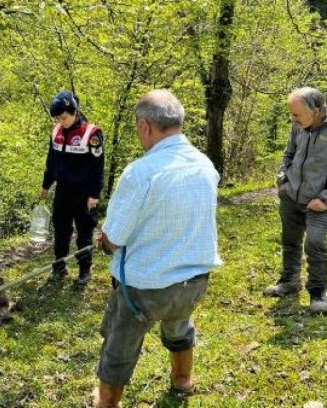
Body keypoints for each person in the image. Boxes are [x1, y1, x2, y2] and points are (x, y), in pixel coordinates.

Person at [94, 90, 222, 407]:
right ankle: (182, 381)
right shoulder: (206, 165)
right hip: (194, 282)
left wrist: (104, 239)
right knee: (180, 326)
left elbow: (115, 238)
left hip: (144, 288)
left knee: (119, 344)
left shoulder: (140, 172)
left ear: (145, 127)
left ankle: (107, 401)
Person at [264, 87, 327, 314]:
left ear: (316, 110)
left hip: (320, 200)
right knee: (290, 239)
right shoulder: (298, 127)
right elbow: (288, 155)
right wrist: (283, 181)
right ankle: (289, 281)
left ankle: (318, 293)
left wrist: (326, 199)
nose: (292, 118)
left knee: (315, 243)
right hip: (292, 195)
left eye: (296, 114)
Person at [41, 90, 104, 287]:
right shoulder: (56, 131)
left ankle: (84, 270)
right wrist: (46, 185)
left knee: (84, 231)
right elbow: (51, 161)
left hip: (84, 192)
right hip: (63, 191)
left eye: (65, 117)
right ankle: (59, 266)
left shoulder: (91, 133)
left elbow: (98, 166)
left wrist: (95, 194)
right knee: (61, 230)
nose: (62, 121)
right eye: (59, 118)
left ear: (74, 112)